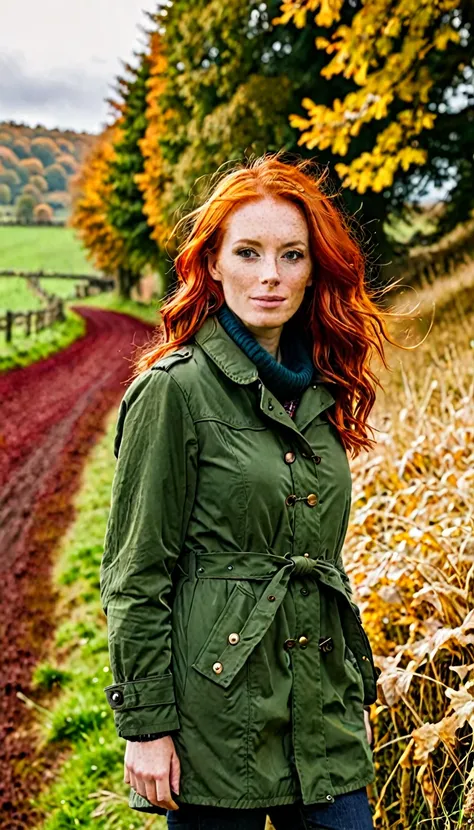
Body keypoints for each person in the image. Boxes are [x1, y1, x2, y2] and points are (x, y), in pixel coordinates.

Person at [99, 152, 405, 830]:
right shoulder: (173, 390)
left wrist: (347, 683)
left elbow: (321, 556)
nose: (270, 275)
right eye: (248, 252)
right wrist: (146, 725)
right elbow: (135, 572)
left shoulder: (322, 393)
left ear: (313, 267)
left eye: (291, 255)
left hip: (319, 714)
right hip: (215, 723)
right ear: (211, 263)